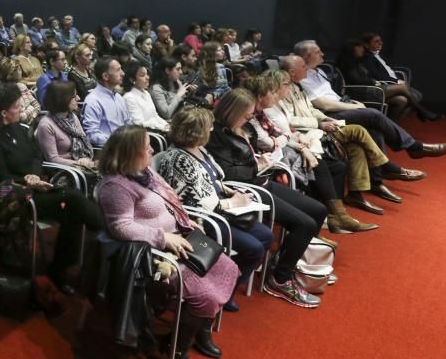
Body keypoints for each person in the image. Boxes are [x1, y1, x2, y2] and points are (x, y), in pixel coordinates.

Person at [97, 126, 237, 359]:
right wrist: (163, 237)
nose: (152, 149)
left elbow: (170, 203)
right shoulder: (115, 186)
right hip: (153, 254)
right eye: (147, 146)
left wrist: (185, 221)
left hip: (178, 240)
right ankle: (177, 349)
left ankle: (201, 329)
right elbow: (120, 227)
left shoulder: (145, 173)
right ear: (131, 153)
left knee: (228, 268)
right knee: (204, 295)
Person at [205, 90, 325, 308]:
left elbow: (252, 156)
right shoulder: (216, 135)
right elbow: (228, 174)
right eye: (246, 114)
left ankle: (285, 261)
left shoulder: (245, 128)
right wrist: (258, 165)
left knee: (318, 211)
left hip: (262, 180)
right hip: (248, 190)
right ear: (232, 111)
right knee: (305, 225)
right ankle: (280, 279)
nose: (250, 118)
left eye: (251, 114)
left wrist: (260, 162)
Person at [0, 84, 103, 292]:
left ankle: (61, 268)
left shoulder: (19, 129)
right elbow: (0, 176)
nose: (22, 109)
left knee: (72, 211)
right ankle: (106, 231)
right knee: (72, 199)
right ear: (4, 113)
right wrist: (28, 181)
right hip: (16, 197)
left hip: (36, 186)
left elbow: (37, 156)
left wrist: (35, 175)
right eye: (17, 106)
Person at [155, 106, 274, 312]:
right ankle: (225, 292)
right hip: (203, 219)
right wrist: (233, 203)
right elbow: (198, 202)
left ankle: (230, 285)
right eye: (208, 127)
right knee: (254, 248)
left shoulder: (200, 149)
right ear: (197, 131)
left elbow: (215, 178)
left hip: (224, 211)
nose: (212, 130)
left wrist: (229, 192)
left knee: (266, 237)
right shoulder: (176, 158)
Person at [276, 59, 422, 208]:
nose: (306, 68)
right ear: (292, 72)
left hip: (321, 123)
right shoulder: (281, 89)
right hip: (309, 132)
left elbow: (311, 109)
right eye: (302, 66)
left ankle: (355, 195)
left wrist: (325, 118)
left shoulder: (297, 85)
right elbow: (290, 120)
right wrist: (320, 123)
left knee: (359, 145)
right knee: (362, 126)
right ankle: (387, 166)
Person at [242, 75, 376, 234]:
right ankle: (333, 217)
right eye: (273, 91)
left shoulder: (265, 110)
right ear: (261, 96)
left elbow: (281, 133)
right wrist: (299, 143)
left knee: (338, 165)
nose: (279, 93)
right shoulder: (258, 114)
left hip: (289, 145)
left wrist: (294, 138)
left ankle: (336, 215)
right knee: (318, 165)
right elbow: (270, 142)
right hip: (273, 157)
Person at [292, 43, 446, 160]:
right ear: (306, 56)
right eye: (318, 52)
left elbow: (332, 95)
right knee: (374, 115)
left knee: (376, 129)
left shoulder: (318, 71)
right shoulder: (303, 76)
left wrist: (351, 102)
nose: (322, 55)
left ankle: (379, 176)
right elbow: (323, 104)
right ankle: (414, 147)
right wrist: (351, 107)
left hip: (341, 105)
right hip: (328, 115)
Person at [337, 38, 439, 121]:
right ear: (352, 49)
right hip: (359, 92)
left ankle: (394, 125)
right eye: (359, 47)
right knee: (402, 88)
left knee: (401, 100)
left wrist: (373, 81)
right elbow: (356, 80)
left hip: (370, 89)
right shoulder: (348, 63)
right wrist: (373, 81)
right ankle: (421, 111)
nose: (362, 49)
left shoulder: (357, 61)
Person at [36, 81, 98, 176]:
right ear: (62, 99)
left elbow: (84, 140)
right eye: (74, 96)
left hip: (82, 164)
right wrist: (79, 164)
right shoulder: (46, 125)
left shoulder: (72, 117)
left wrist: (87, 160)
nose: (78, 98)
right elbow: (53, 159)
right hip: (65, 172)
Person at [82, 56, 132, 147]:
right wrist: (117, 142)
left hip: (125, 147)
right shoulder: (93, 101)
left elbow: (128, 123)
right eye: (118, 70)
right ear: (105, 76)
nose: (123, 73)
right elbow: (92, 135)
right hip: (108, 151)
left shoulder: (118, 97)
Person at [122, 62, 170, 133]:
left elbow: (155, 116)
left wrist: (166, 125)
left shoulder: (146, 93)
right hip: (144, 134)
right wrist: (162, 127)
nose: (147, 77)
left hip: (157, 129)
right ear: (132, 80)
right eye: (142, 75)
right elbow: (138, 123)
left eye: (147, 74)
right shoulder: (129, 97)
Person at [0, 58, 41, 126]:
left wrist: (29, 116)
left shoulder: (21, 86)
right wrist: (30, 109)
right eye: (19, 70)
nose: (21, 72)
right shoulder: (2, 92)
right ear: (11, 73)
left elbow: (37, 106)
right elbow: (18, 118)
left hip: (30, 126)